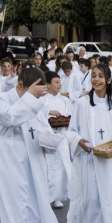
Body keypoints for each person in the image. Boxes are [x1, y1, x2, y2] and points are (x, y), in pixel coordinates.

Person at [0, 67, 74, 223]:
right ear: (21, 86)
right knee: (16, 214)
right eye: (37, 93)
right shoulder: (2, 100)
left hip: (33, 163)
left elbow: (42, 130)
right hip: (10, 162)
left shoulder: (36, 103)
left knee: (38, 216)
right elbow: (8, 118)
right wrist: (31, 97)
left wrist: (53, 141)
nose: (41, 99)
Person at [65, 64, 112, 223]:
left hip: (107, 159)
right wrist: (78, 141)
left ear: (109, 80)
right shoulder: (82, 104)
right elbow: (71, 131)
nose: (96, 79)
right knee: (92, 198)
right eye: (93, 76)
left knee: (108, 199)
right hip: (89, 158)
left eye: (101, 76)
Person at [42, 71, 73, 209]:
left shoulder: (64, 100)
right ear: (47, 85)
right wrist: (49, 115)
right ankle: (45, 196)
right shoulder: (43, 100)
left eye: (60, 82)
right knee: (48, 166)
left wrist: (65, 120)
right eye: (56, 82)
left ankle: (57, 196)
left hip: (62, 136)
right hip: (47, 138)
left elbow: (71, 115)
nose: (59, 85)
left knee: (61, 165)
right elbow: (38, 116)